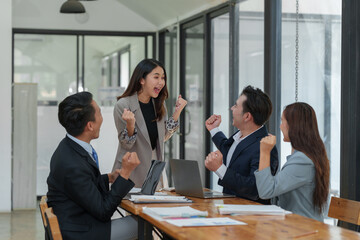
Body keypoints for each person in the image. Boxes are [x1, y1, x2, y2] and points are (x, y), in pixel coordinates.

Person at [47, 92, 140, 240]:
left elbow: (82, 186)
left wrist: (109, 178)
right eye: (100, 113)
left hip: (78, 223)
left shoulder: (69, 147)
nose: (102, 119)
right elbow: (103, 211)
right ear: (90, 125)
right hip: (82, 232)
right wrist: (125, 173)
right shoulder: (72, 164)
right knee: (144, 225)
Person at [112, 59, 187, 187]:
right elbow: (126, 144)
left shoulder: (159, 103)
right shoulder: (123, 105)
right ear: (141, 80)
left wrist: (177, 112)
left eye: (163, 78)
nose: (161, 82)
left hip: (154, 172)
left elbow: (163, 137)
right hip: (131, 172)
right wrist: (130, 124)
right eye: (156, 77)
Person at [254, 102, 330, 222]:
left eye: (282, 121)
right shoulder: (308, 156)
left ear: (294, 126)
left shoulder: (303, 161)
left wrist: (264, 152)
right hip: (298, 226)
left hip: (303, 229)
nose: (280, 126)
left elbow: (266, 191)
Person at [204, 86, 278, 204]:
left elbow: (254, 188)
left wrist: (219, 169)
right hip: (230, 210)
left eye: (236, 106)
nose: (231, 108)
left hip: (250, 217)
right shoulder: (240, 136)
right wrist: (214, 130)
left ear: (247, 116)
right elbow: (229, 150)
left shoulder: (265, 146)